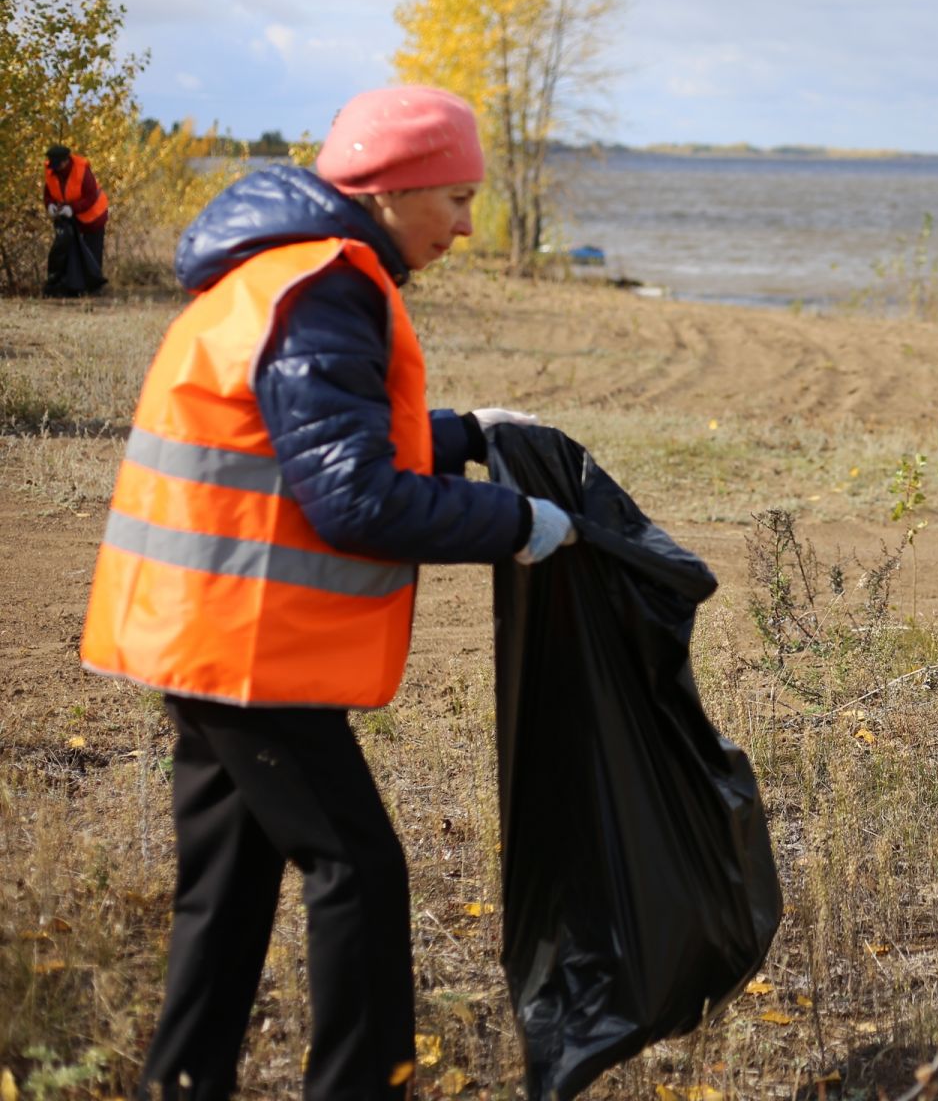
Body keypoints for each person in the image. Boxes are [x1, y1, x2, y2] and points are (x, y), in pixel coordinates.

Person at [78, 85, 578, 1100]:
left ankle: (181, 1083)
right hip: (247, 647)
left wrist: (465, 430)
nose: (470, 226)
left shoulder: (282, 272)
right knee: (359, 868)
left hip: (200, 629)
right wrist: (516, 524)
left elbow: (310, 433)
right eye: (457, 197)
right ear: (391, 190)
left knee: (227, 887)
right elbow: (354, 497)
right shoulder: (327, 285)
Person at [43, 143, 109, 294]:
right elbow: (48, 193)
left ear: (66, 161)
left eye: (58, 164)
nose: (55, 168)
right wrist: (50, 205)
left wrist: (72, 209)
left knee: (92, 253)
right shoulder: (52, 171)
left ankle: (93, 289)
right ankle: (73, 287)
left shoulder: (82, 171)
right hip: (72, 216)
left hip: (94, 216)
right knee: (70, 249)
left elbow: (91, 196)